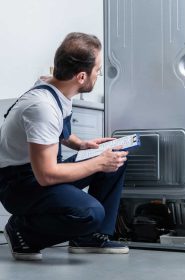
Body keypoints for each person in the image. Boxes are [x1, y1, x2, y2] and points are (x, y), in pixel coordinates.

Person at [0, 32, 129, 261]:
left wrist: (81, 144)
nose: (98, 74)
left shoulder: (58, 89)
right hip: (19, 184)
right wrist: (97, 162)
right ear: (81, 76)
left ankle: (88, 238)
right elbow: (46, 175)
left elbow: (56, 131)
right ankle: (22, 232)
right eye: (97, 70)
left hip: (37, 171)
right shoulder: (43, 107)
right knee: (90, 212)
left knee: (114, 157)